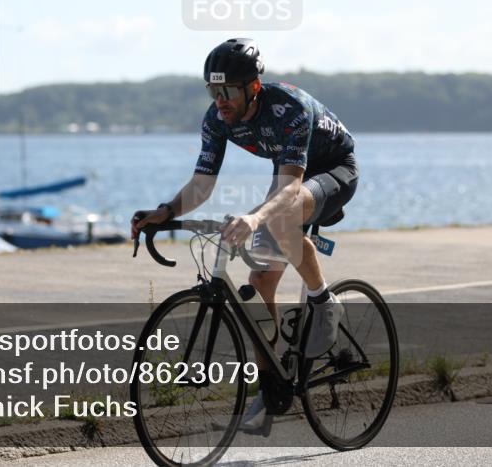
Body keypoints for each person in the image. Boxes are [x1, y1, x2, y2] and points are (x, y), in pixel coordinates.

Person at [131, 38, 359, 430]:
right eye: (213, 90)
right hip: (292, 172)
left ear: (253, 87)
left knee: (280, 218)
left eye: (228, 91)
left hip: (333, 169)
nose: (220, 100)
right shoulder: (217, 118)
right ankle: (271, 391)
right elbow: (201, 185)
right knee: (260, 282)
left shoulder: (290, 110)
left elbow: (289, 192)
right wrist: (165, 212)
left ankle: (324, 302)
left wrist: (254, 219)